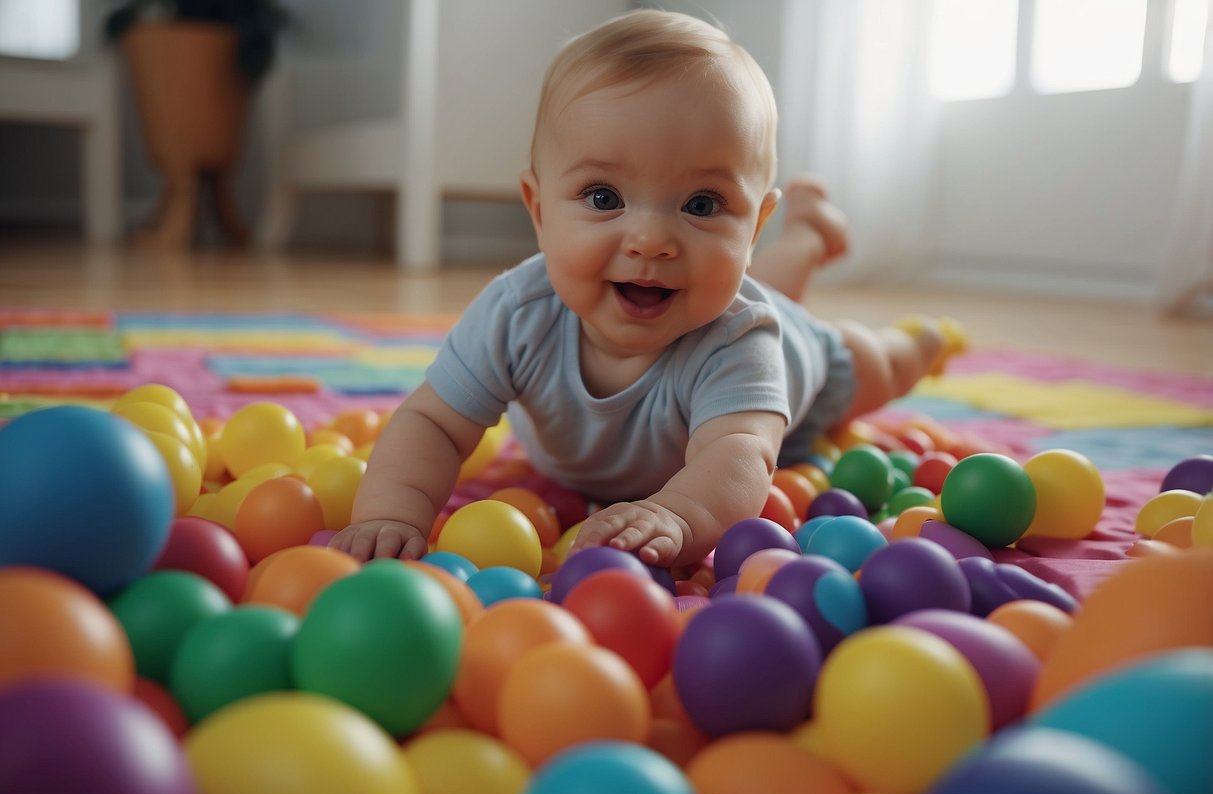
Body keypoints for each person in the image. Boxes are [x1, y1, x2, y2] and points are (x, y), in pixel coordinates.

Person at [330, 9, 950, 569]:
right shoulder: (515, 314)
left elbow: (739, 455)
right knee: (751, 286)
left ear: (754, 225)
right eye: (605, 198)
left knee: (872, 363)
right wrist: (391, 512)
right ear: (539, 210)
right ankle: (811, 235)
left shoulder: (739, 338)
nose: (651, 239)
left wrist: (676, 513)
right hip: (722, 289)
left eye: (702, 204)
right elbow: (432, 424)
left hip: (810, 365)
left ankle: (917, 341)